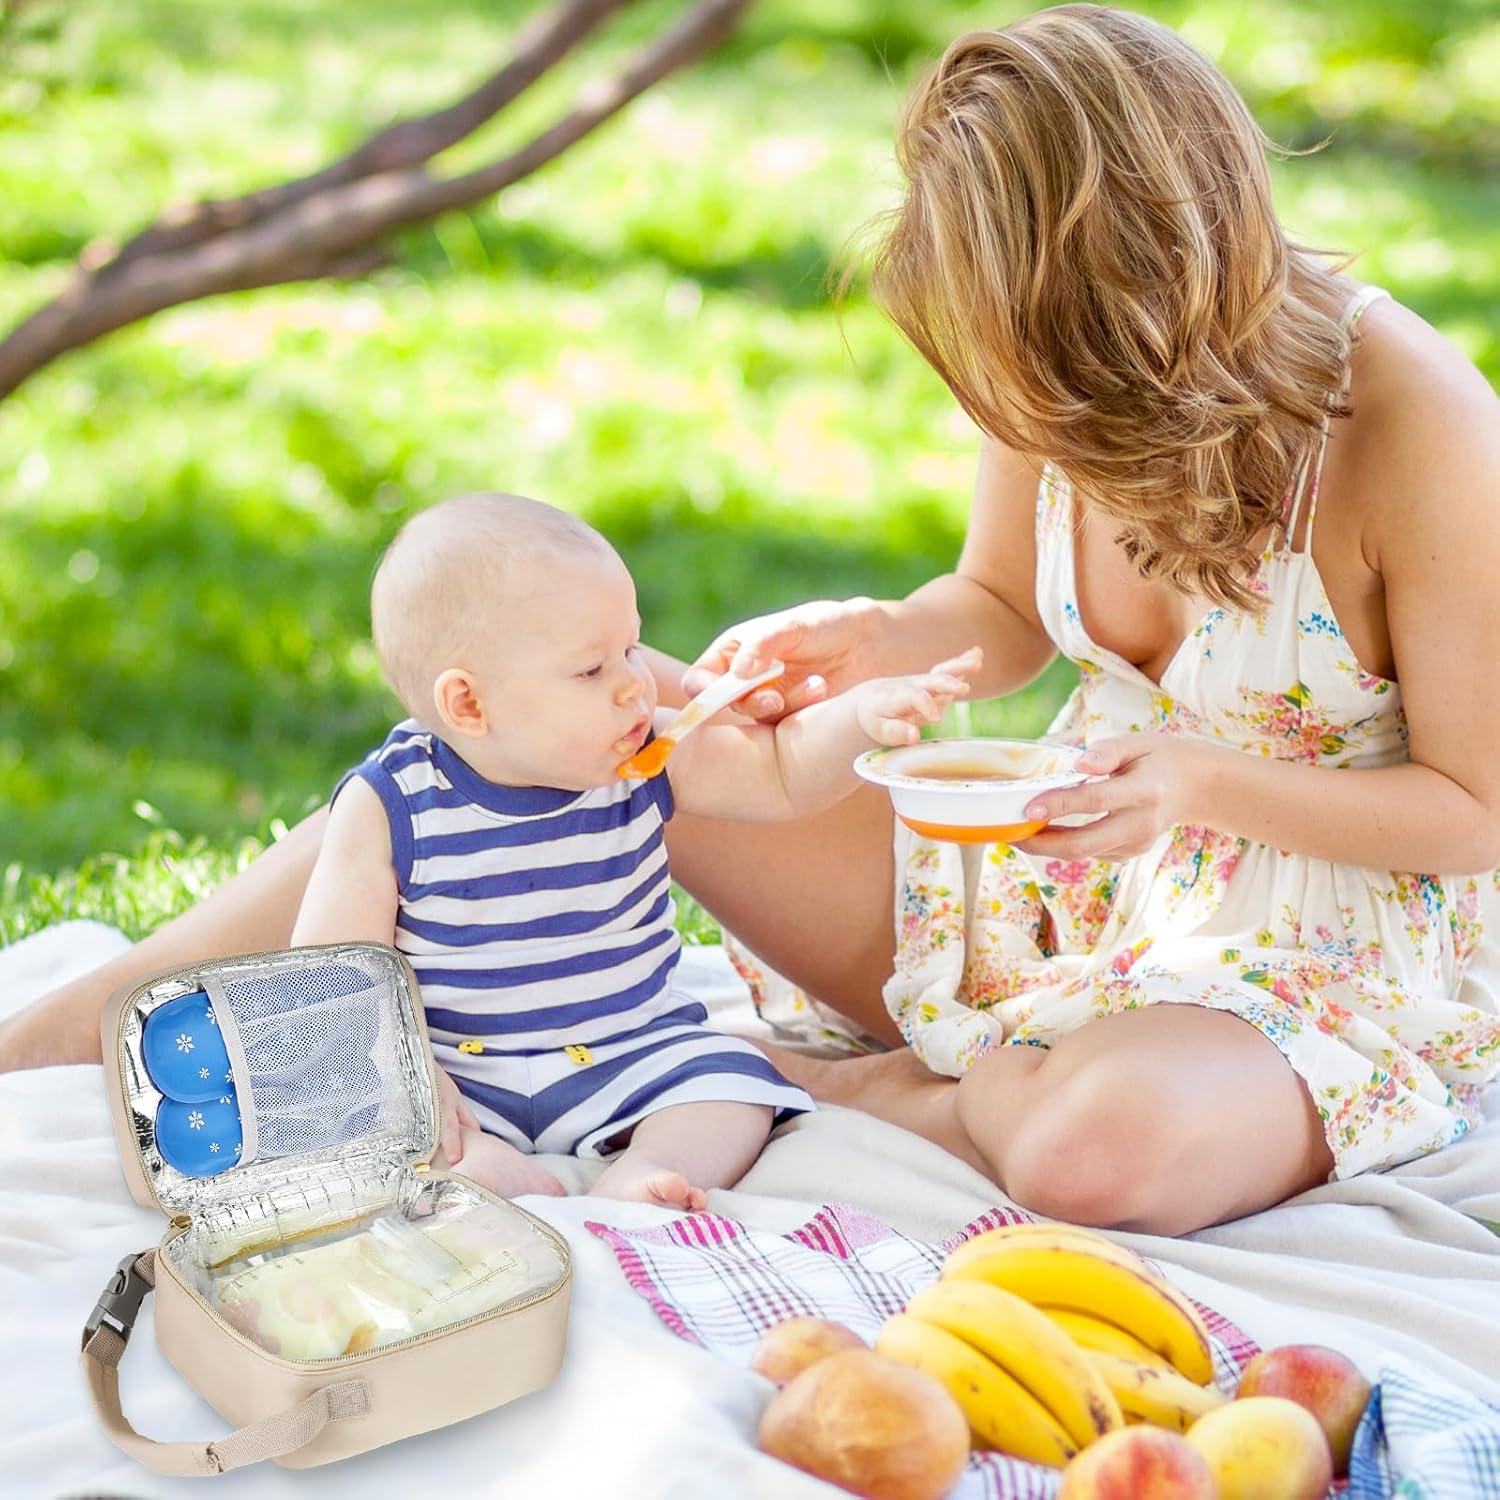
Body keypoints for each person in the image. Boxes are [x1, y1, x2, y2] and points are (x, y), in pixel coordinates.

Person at [6, 7, 1498, 1235]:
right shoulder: (1051, 357)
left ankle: (827, 1087)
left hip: (1335, 948)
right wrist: (877, 638)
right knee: (569, 724)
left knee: (1098, 1153)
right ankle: (73, 1025)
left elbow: (1478, 812)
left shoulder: (1415, 424)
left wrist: (1201, 785)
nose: (1023, 417)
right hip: (1061, 879)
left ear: (1147, 290)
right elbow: (998, 608)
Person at [286, 491, 979, 1209]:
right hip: (462, 1072)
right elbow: (332, 975)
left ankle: (645, 1172)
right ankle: (485, 1170)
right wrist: (413, 1076)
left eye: (631, 650)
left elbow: (778, 774)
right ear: (468, 704)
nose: (634, 687)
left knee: (731, 1090)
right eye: (592, 670)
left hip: (625, 1053)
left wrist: (860, 717)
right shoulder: (391, 802)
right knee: (378, 1115)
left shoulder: (643, 759)